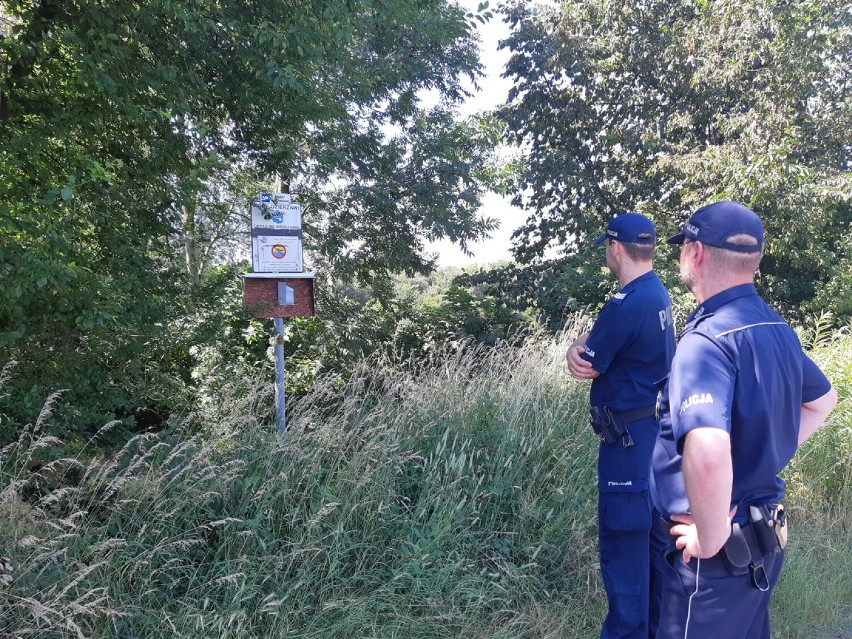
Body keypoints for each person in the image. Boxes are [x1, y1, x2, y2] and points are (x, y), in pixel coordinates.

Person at [651, 201, 838, 639]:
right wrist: (765, 454)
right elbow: (823, 400)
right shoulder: (775, 327)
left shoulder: (705, 342)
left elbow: (710, 453)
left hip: (713, 562)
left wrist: (711, 538)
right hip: (760, 542)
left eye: (683, 247)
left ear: (695, 253)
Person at [567, 212, 676, 639]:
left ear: (615, 249)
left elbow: (587, 364)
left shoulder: (625, 305)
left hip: (626, 448)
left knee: (625, 559)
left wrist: (574, 345)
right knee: (653, 560)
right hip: (654, 440)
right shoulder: (658, 294)